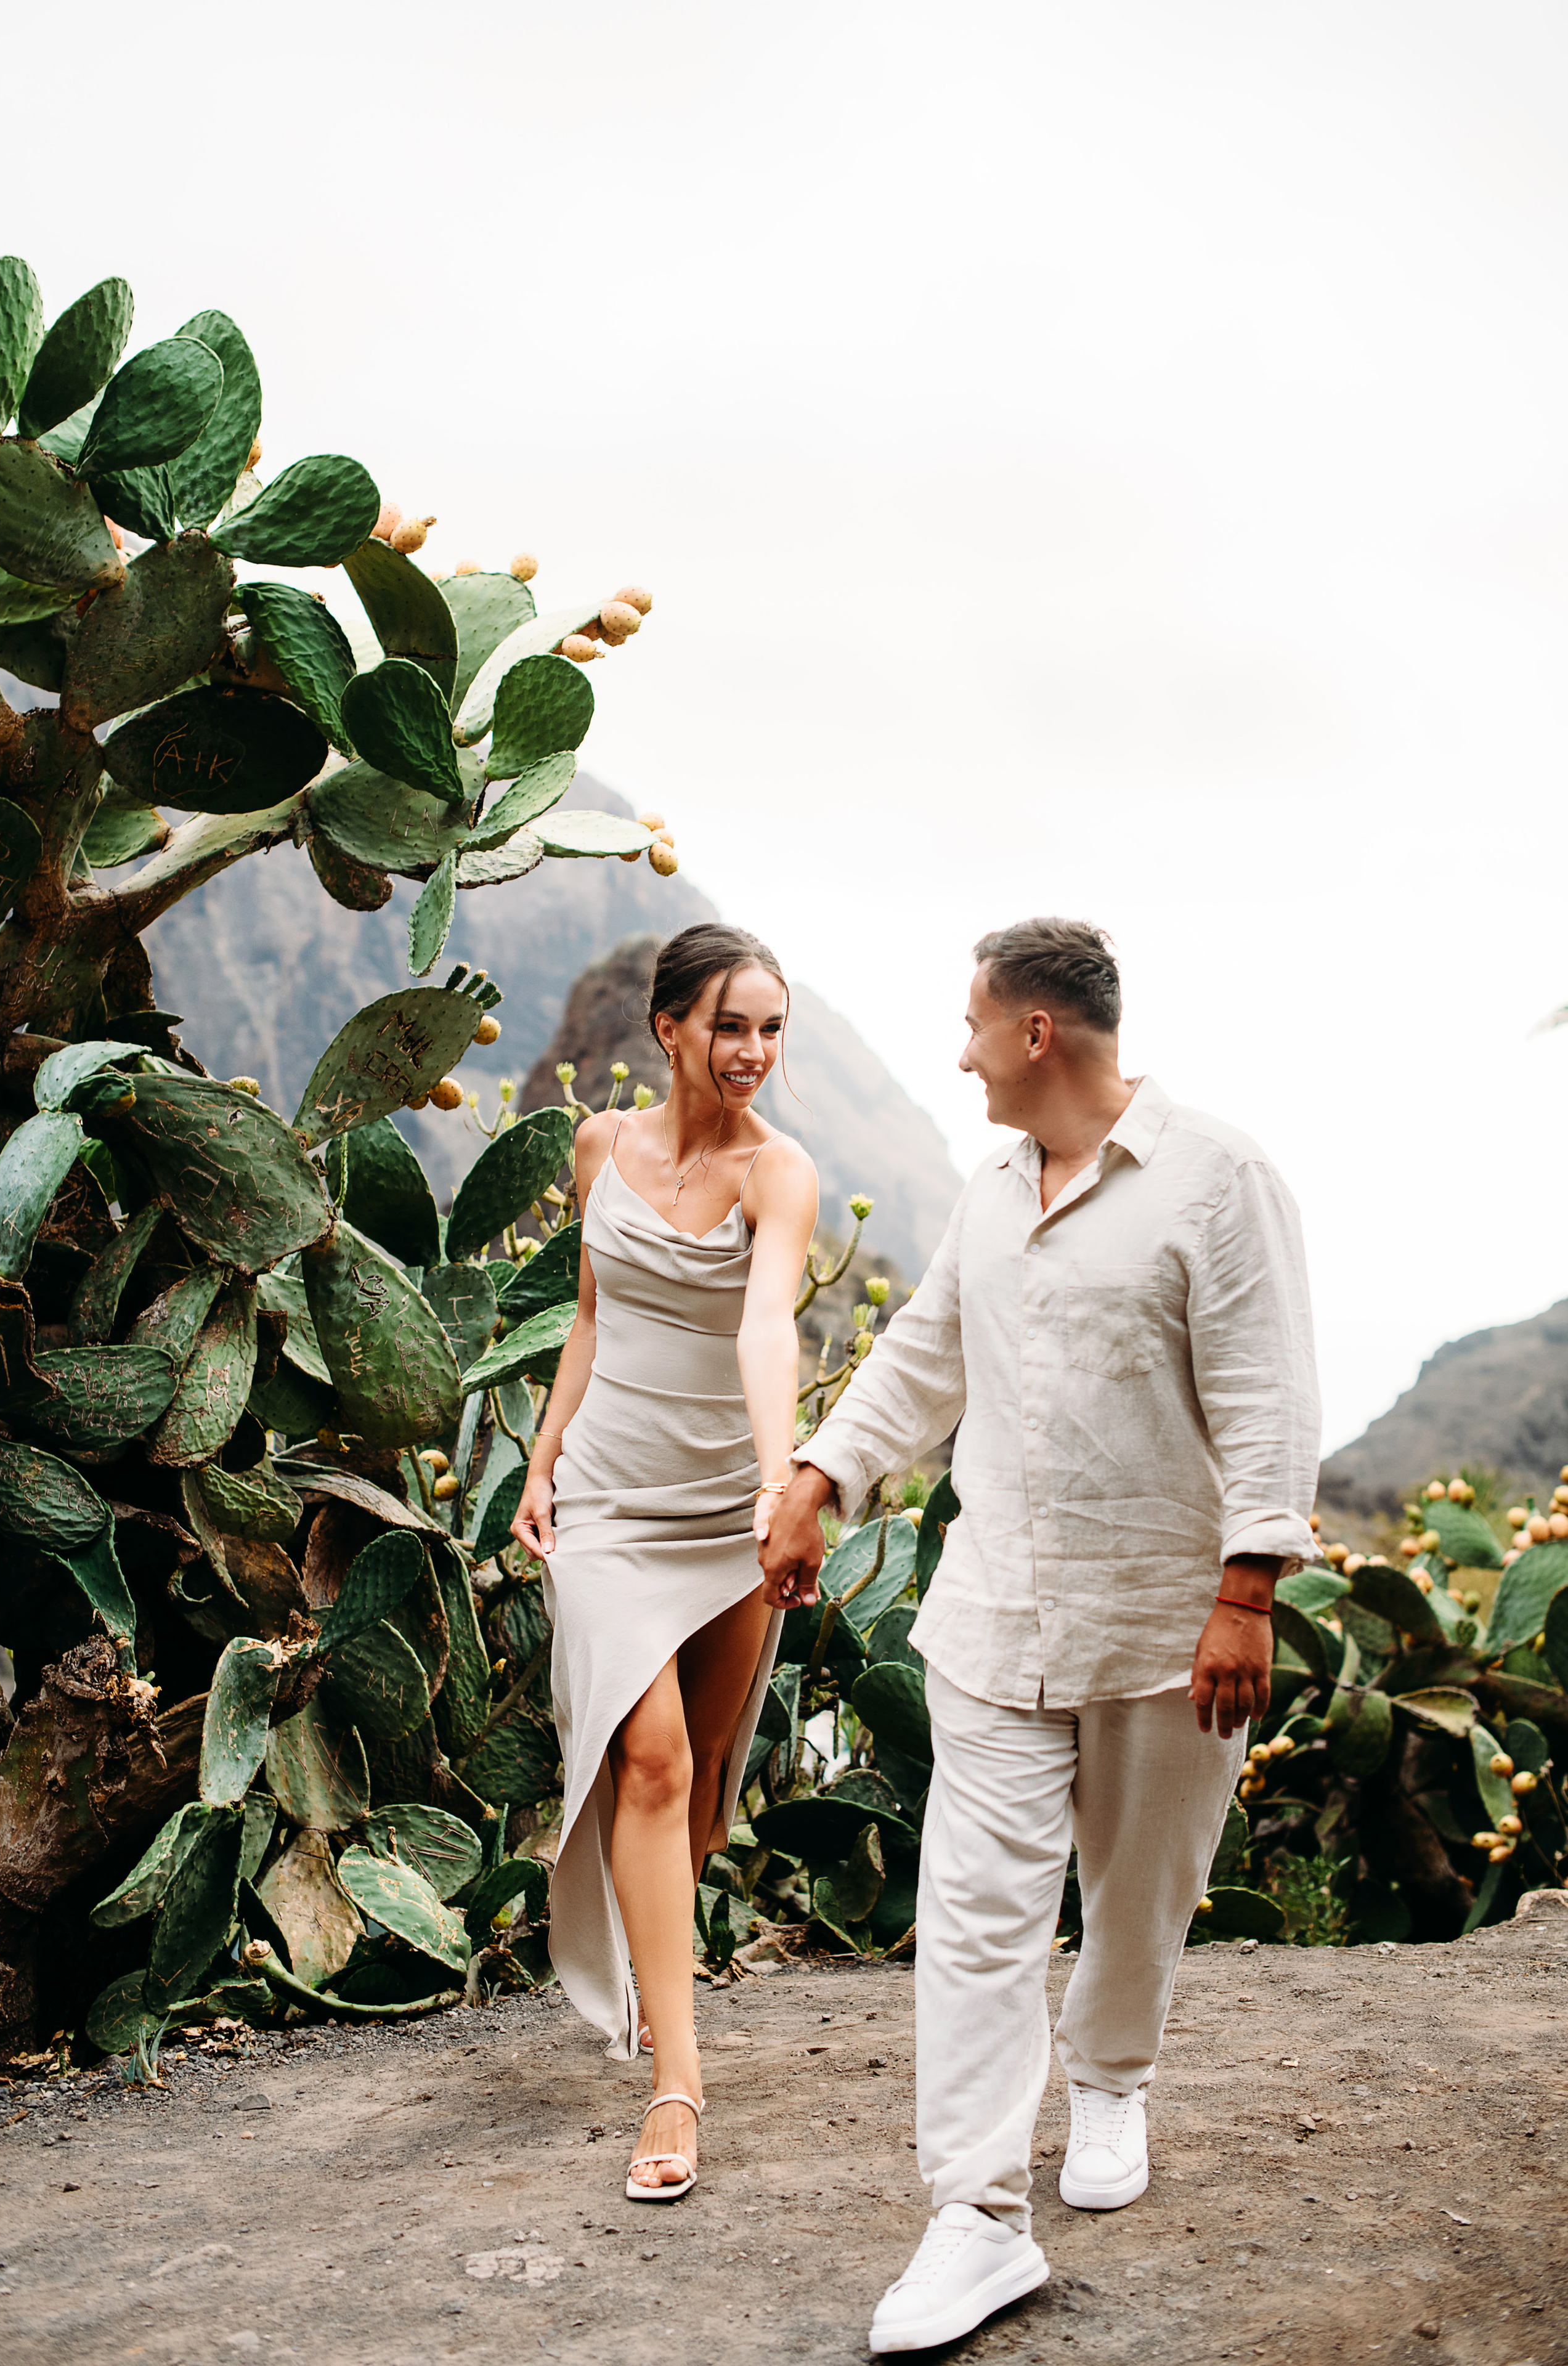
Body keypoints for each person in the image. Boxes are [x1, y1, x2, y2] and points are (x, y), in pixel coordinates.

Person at [759, 917, 1320, 2354]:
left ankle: (1114, 2077)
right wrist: (823, 1478)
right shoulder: (991, 1186)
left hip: (1166, 1623)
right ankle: (973, 2216)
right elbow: (922, 1352)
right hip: (992, 1611)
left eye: (971, 1026)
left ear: (1035, 1036)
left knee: (1140, 1889)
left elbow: (1266, 1389)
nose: (957, 1052)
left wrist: (1246, 1593)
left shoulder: (1216, 1178)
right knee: (974, 1910)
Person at [511, 923, 817, 2205]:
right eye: (728, 1026)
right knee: (650, 1760)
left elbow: (763, 1325)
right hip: (611, 1507)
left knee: (695, 1805)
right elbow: (590, 1317)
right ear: (668, 1030)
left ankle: (653, 1977)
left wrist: (779, 1478)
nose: (750, 1053)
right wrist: (539, 1457)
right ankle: (675, 2085)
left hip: (726, 1513)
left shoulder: (779, 1173)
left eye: (769, 1029)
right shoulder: (599, 1148)